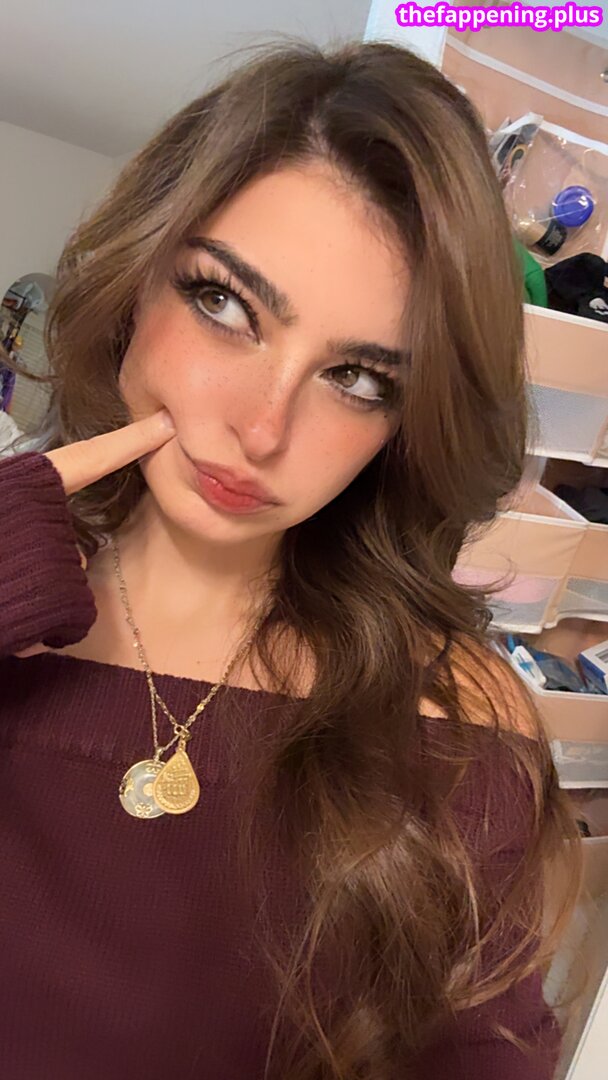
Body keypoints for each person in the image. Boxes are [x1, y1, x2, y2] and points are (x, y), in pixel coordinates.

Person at [0, 38, 582, 1080]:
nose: (261, 430)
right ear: (137, 281)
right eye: (226, 305)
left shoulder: (448, 720)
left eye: (358, 377)